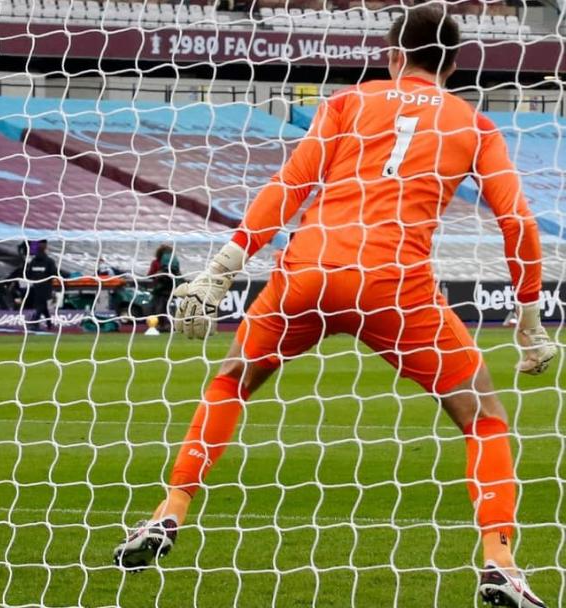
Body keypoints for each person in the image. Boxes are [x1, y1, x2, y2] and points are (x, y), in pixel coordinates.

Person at [113, 7, 557, 608]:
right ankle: (499, 559)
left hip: (309, 272)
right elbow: (517, 223)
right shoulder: (474, 125)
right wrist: (530, 325)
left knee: (232, 381)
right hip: (394, 285)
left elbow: (289, 186)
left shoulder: (349, 102)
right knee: (482, 415)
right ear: (451, 66)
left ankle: (171, 510)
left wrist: (221, 272)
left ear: (393, 56)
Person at [24, 240, 59, 331]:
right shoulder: (49, 261)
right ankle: (39, 323)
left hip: (36, 287)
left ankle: (40, 323)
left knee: (41, 305)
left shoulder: (33, 261)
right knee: (42, 306)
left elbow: (28, 274)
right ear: (46, 246)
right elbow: (54, 274)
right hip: (46, 288)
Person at [147, 244, 180, 332]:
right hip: (168, 289)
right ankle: (169, 325)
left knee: (160, 307)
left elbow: (150, 275)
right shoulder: (173, 263)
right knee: (168, 307)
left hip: (161, 289)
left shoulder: (156, 263)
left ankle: (163, 325)